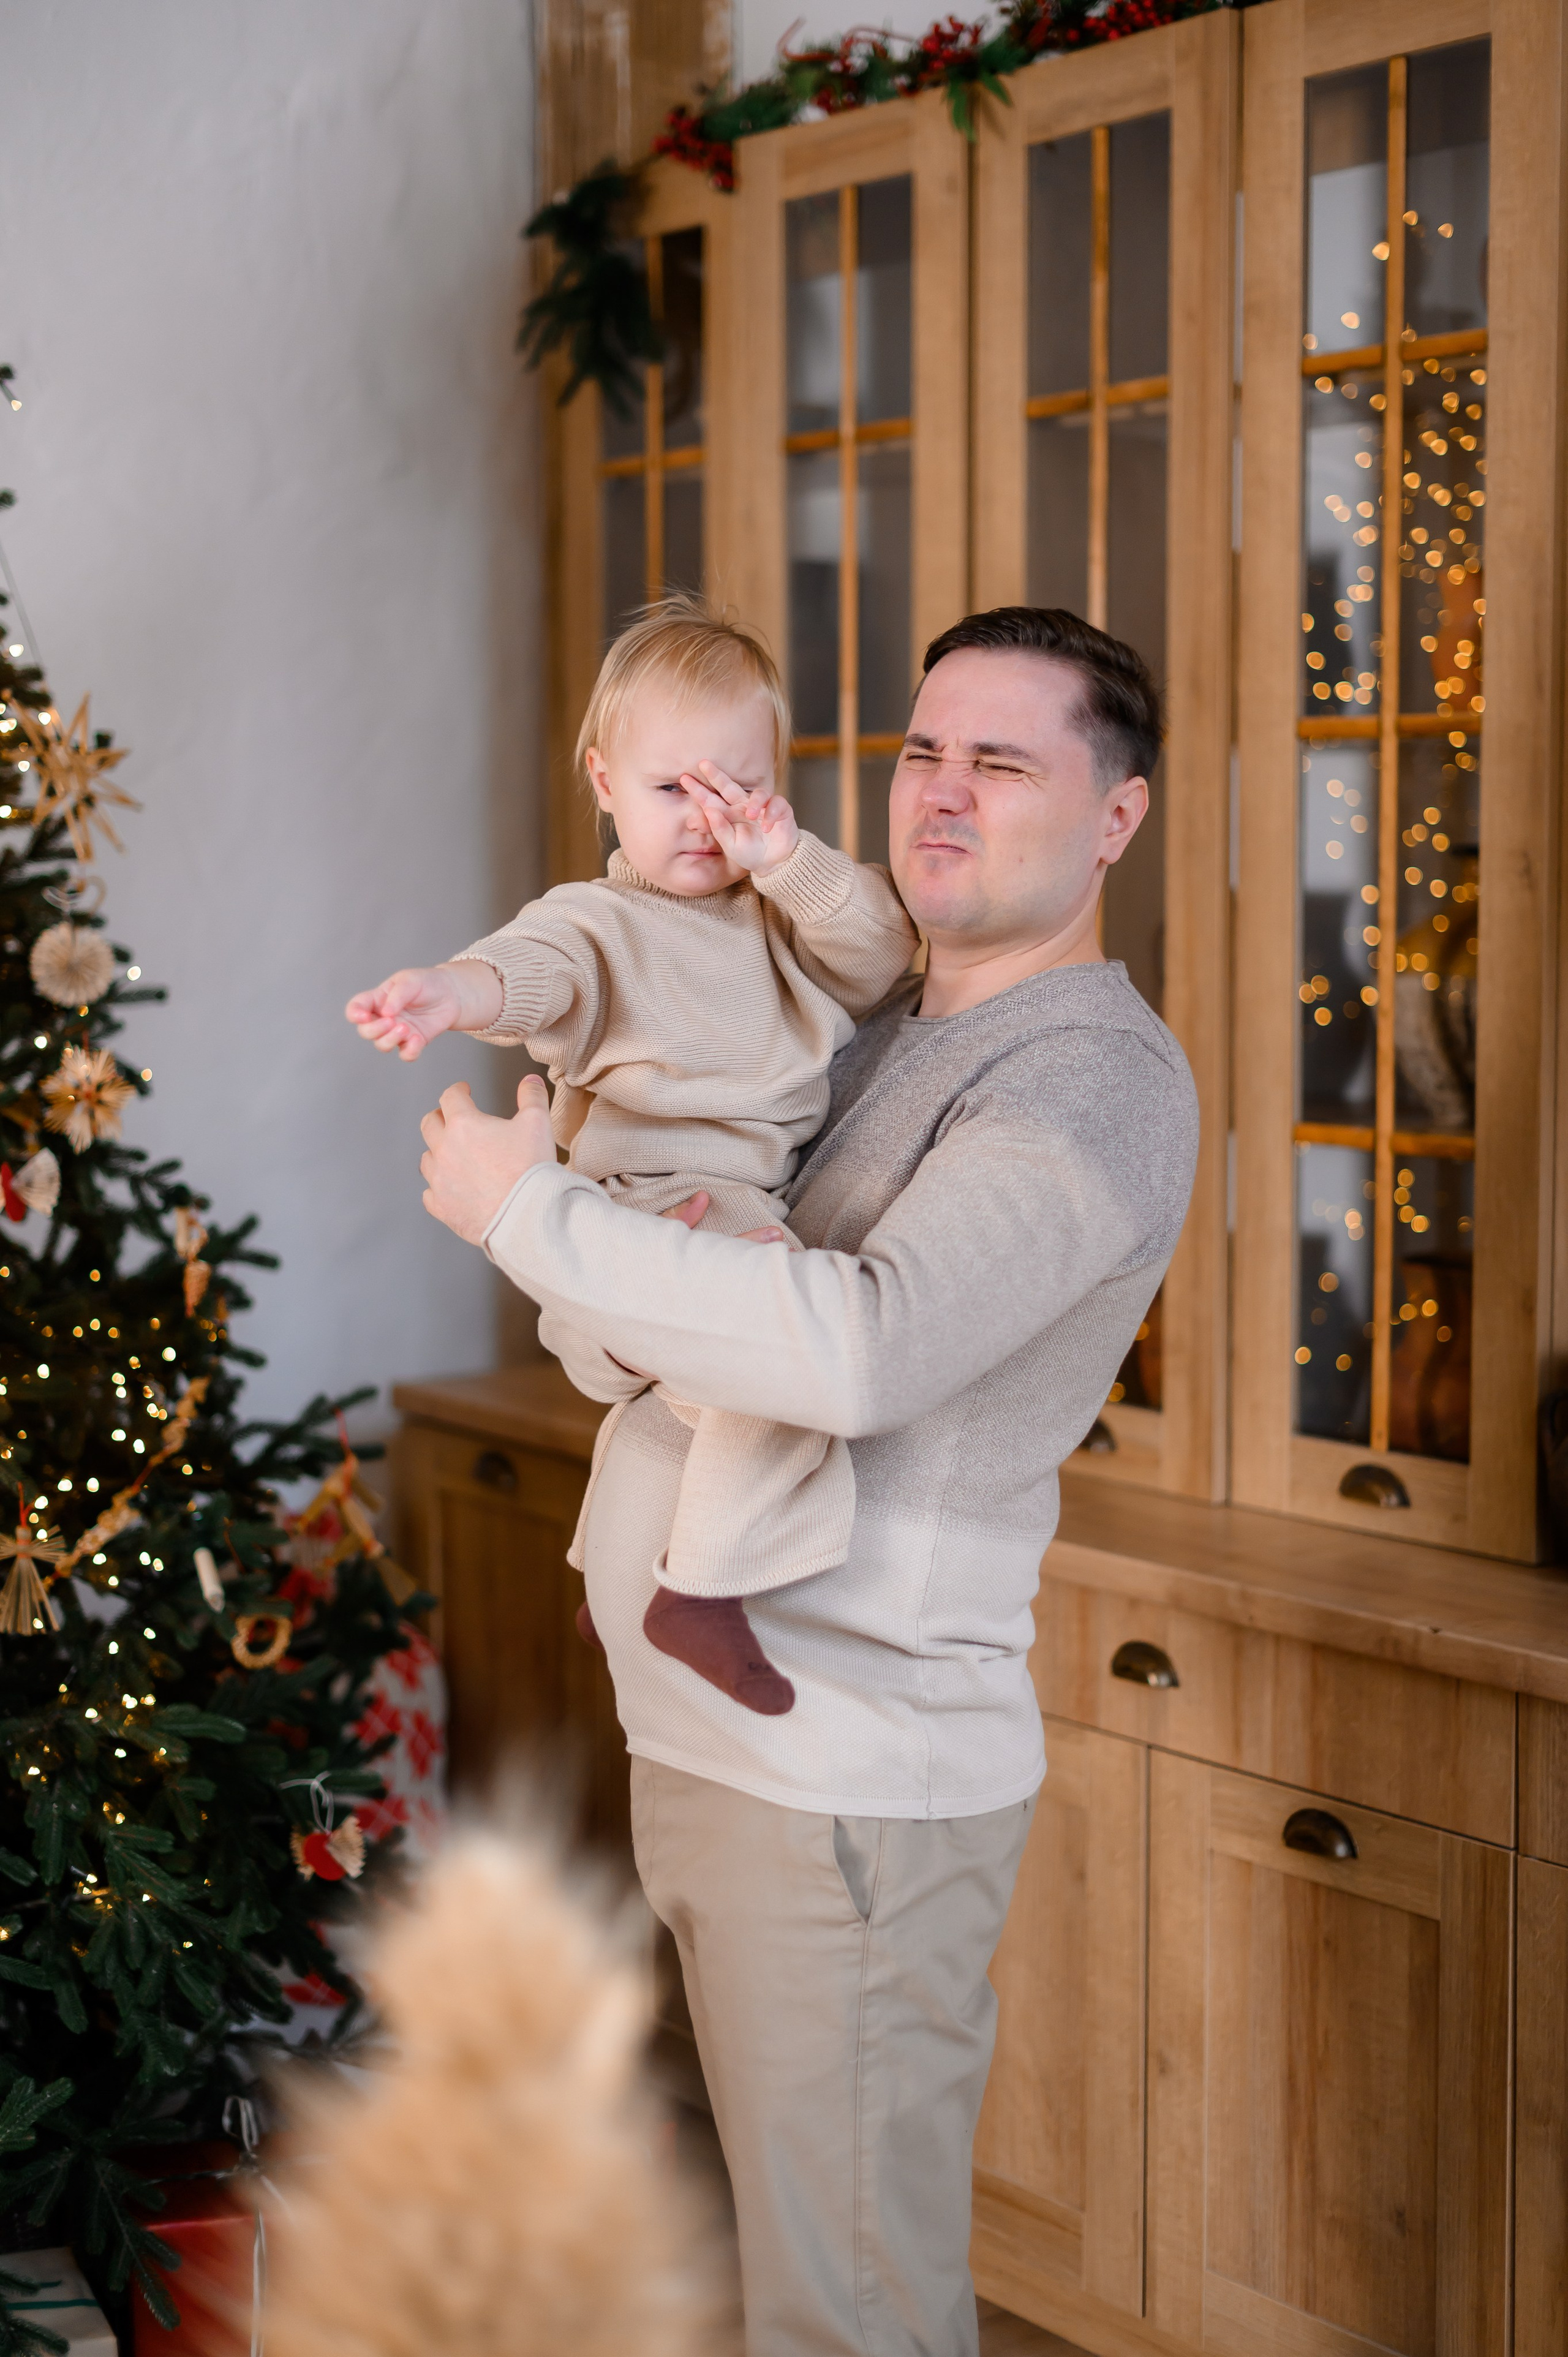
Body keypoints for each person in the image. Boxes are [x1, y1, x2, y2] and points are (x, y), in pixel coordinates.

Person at [415, 606, 1199, 2357]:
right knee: (792, 2280)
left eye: (1005, 761)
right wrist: (593, 1264)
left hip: (847, 1778)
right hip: (725, 1750)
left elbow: (848, 1353)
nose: (942, 791)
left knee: (850, 2314)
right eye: (925, 749)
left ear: (1116, 817)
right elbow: (636, 1345)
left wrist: (533, 1218)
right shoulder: (859, 1032)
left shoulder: (1088, 1081)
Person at [347, 599, 917, 1716]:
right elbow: (530, 968)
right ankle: (699, 1589)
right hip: (650, 1204)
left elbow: (887, 950)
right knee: (783, 1361)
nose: (705, 821)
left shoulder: (780, 920)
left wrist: (789, 859)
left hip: (727, 1204)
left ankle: (616, 1583)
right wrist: (448, 993)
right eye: (671, 790)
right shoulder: (601, 923)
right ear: (605, 783)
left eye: (734, 790)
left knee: (684, 1411)